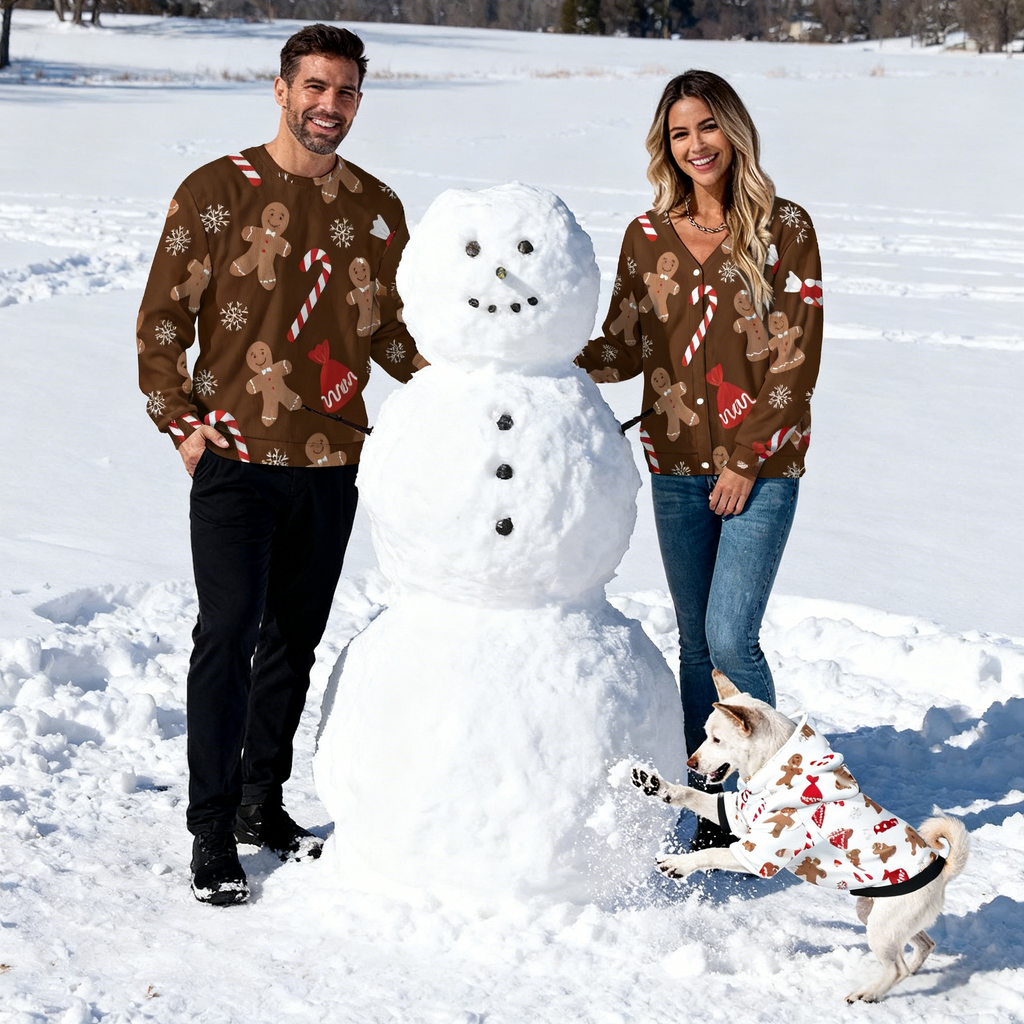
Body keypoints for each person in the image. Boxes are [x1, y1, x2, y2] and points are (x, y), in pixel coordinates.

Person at [136, 24, 425, 905]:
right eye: (315, 88)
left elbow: (388, 335)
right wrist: (180, 425)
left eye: (345, 92)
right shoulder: (215, 191)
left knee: (292, 642)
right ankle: (211, 827)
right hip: (234, 457)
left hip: (333, 457)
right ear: (281, 90)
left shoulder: (377, 210)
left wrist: (482, 383)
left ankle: (264, 801)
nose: (329, 106)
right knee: (226, 636)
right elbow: (161, 326)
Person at [577, 70, 822, 850]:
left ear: (734, 131)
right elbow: (622, 343)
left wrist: (749, 458)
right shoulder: (646, 236)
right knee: (693, 643)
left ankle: (764, 802)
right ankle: (712, 811)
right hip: (675, 464)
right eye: (681, 133)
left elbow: (796, 358)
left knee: (730, 639)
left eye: (708, 127)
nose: (696, 145)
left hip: (762, 466)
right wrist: (537, 360)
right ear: (666, 145)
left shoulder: (784, 228)